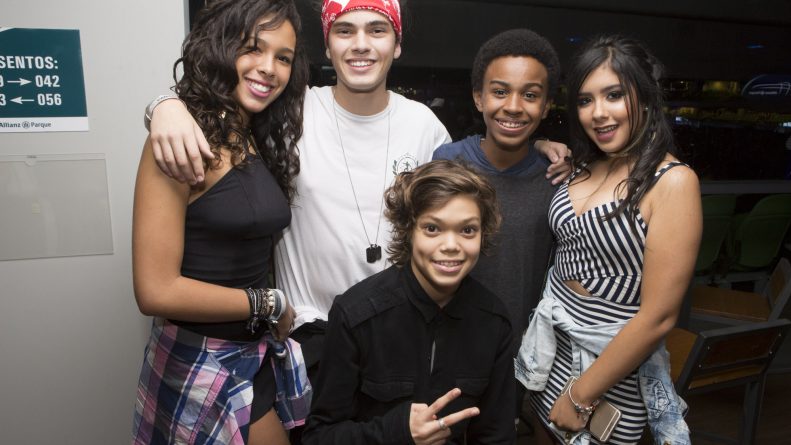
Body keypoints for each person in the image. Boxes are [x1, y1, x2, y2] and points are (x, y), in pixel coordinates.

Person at [143, 0, 571, 388]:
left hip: (399, 338)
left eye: (377, 30)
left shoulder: (424, 126)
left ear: (397, 45)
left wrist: (538, 146)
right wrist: (164, 106)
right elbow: (226, 109)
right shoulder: (290, 111)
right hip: (306, 337)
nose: (361, 44)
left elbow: (475, 175)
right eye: (345, 30)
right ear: (328, 47)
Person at [131, 1, 311, 443]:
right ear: (221, 46)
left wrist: (162, 103)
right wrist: (269, 302)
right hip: (202, 361)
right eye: (253, 48)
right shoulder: (184, 141)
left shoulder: (253, 133)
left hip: (251, 354)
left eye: (283, 57)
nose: (268, 68)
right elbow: (155, 290)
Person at [515, 35, 701, 445]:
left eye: (614, 95)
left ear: (645, 99)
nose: (598, 113)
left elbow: (659, 317)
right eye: (585, 100)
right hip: (553, 350)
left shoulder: (672, 182)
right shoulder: (584, 166)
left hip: (611, 372)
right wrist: (541, 144)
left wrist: (581, 395)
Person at [303, 160, 516, 444]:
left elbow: (496, 437)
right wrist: (398, 432)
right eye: (432, 228)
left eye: (467, 230)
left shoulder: (492, 322)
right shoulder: (357, 315)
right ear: (408, 230)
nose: (451, 245)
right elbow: (319, 437)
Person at [433, 28, 562, 351]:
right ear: (479, 98)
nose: (514, 106)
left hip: (524, 349)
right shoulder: (448, 162)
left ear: (546, 106)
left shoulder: (556, 176)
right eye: (500, 92)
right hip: (449, 343)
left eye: (530, 95)